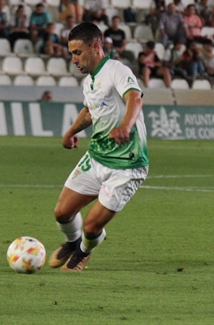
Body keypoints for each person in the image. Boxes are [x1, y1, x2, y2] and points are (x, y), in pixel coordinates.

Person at [48, 22, 149, 272]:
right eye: (71, 53)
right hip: (96, 158)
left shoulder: (116, 69)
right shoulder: (90, 81)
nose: (73, 59)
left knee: (91, 228)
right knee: (62, 213)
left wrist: (125, 126)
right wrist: (71, 131)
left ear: (95, 47)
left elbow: (135, 98)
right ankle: (72, 243)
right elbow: (91, 111)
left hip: (127, 165)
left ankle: (83, 252)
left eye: (77, 52)